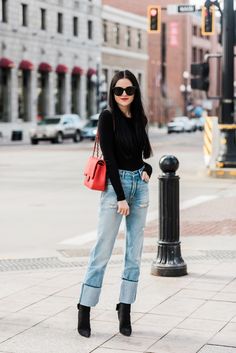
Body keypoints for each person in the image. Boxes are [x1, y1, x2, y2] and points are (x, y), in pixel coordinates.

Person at [77, 70, 153, 338]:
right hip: (114, 187)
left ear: (135, 92)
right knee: (103, 250)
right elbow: (110, 160)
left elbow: (142, 156)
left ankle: (125, 308)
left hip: (140, 188)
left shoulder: (140, 118)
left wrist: (148, 171)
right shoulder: (107, 117)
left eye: (128, 90)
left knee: (134, 253)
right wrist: (120, 196)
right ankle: (84, 307)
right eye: (118, 90)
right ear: (112, 92)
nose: (123, 95)